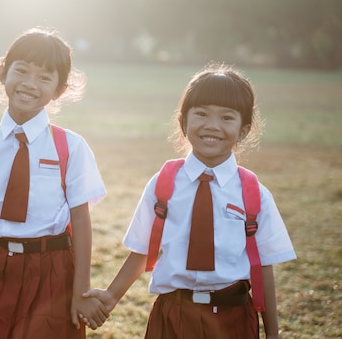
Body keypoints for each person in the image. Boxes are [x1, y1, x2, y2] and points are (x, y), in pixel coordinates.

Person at [80, 64, 296, 339]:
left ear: (243, 130)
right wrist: (110, 297)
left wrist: (273, 333)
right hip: (173, 315)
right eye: (202, 114)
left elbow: (264, 267)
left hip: (233, 318)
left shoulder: (254, 193)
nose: (212, 125)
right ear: (183, 122)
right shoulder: (163, 183)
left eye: (227, 117)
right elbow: (141, 252)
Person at [0, 27, 108, 339]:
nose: (30, 84)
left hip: (54, 271)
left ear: (59, 89)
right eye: (22, 70)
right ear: (3, 73)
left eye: (45, 77)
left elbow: (81, 218)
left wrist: (80, 289)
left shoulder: (70, 146)